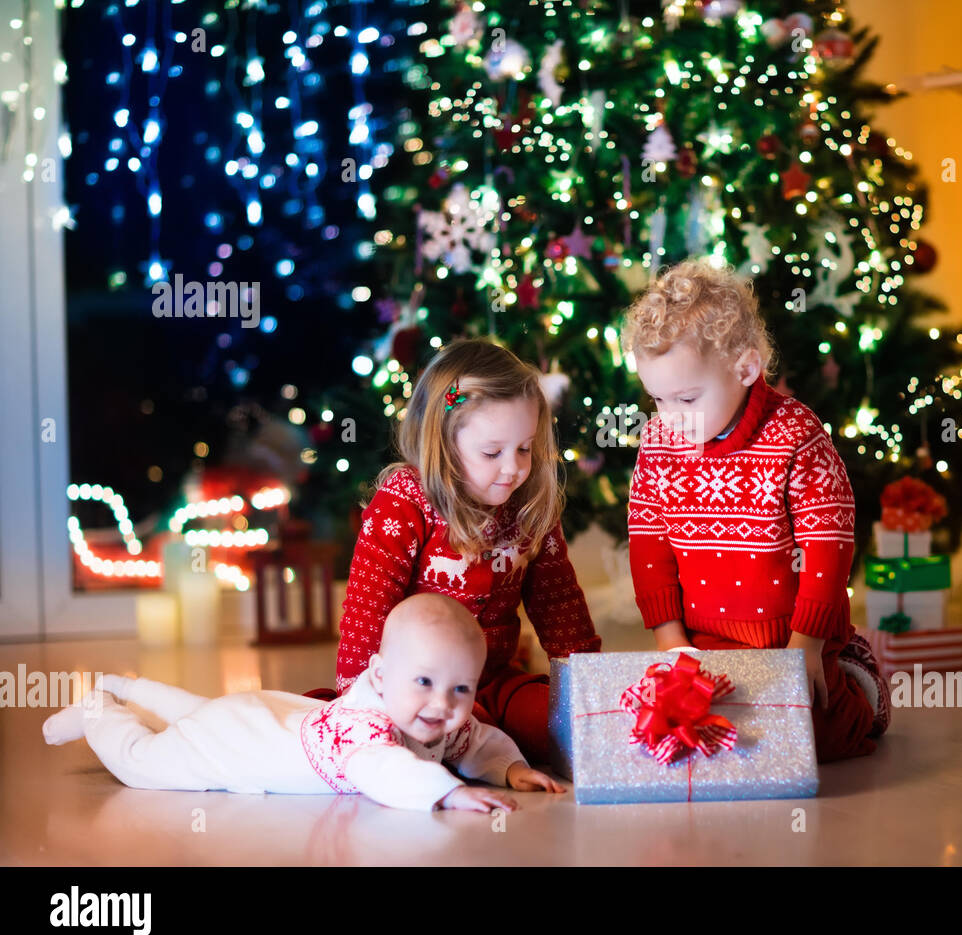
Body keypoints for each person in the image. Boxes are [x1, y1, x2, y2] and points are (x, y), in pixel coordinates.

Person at [621, 259, 891, 761]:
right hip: (704, 639)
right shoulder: (659, 442)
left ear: (745, 369)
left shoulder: (796, 434)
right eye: (657, 399)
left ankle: (859, 679)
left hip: (794, 636)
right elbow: (649, 542)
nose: (670, 418)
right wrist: (671, 639)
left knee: (811, 741)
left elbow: (826, 545)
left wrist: (808, 644)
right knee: (697, 735)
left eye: (686, 398)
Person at [332, 339, 600, 764]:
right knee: (318, 719)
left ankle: (480, 743)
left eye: (525, 448)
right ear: (444, 444)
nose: (513, 468)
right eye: (492, 452)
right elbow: (368, 608)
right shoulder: (404, 503)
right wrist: (360, 702)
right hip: (418, 691)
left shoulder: (530, 506)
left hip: (494, 684)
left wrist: (591, 686)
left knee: (565, 727)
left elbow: (558, 602)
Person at [43, 594, 565, 812]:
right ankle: (99, 709)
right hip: (241, 746)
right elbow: (387, 772)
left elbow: (477, 739)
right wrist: (449, 794)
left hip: (260, 716)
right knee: (145, 763)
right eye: (424, 681)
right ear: (380, 676)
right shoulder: (366, 731)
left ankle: (129, 688)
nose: (442, 704)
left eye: (461, 688)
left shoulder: (438, 717)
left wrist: (510, 768)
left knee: (196, 711)